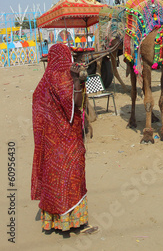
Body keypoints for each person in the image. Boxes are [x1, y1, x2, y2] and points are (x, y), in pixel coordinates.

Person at [31, 43, 98, 236]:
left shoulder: (44, 81)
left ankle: (53, 222)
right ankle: (74, 223)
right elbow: (75, 105)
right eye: (69, 55)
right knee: (72, 176)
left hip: (51, 144)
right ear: (64, 57)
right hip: (68, 140)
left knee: (54, 178)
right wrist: (77, 81)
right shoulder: (61, 78)